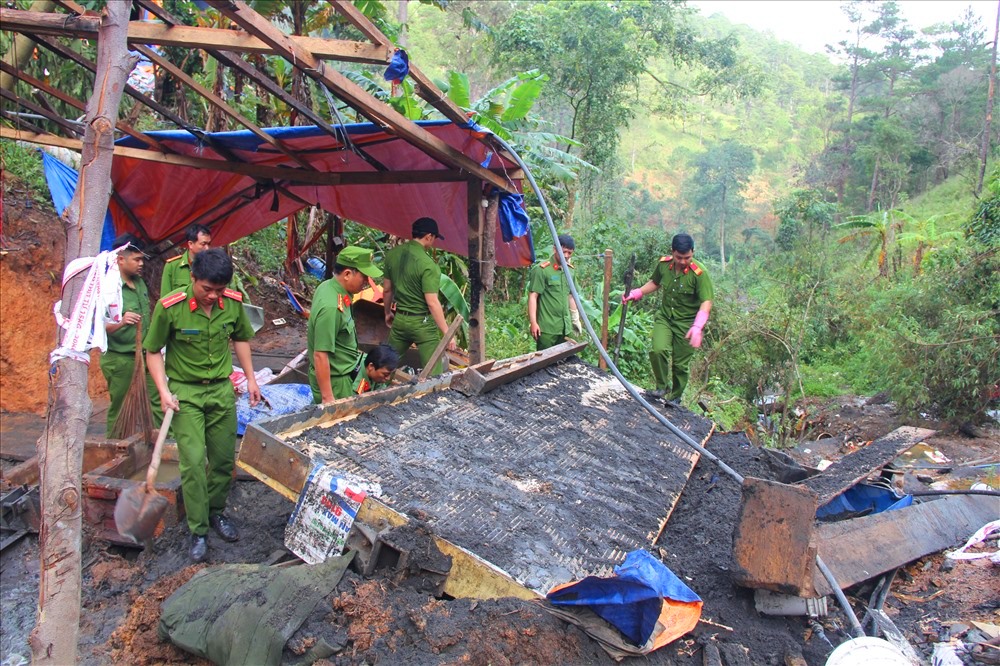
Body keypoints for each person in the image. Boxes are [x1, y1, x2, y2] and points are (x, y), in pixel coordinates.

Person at [145, 248, 261, 563]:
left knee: (224, 460)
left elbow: (240, 338)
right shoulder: (170, 308)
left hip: (222, 391)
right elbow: (152, 351)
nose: (212, 296)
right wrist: (163, 390)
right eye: (206, 289)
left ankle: (216, 513)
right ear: (193, 278)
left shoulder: (233, 303)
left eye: (218, 290)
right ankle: (197, 529)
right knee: (194, 462)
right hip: (186, 394)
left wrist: (251, 379)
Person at [622, 233, 713, 407]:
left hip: (687, 323)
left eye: (687, 257)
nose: (683, 261)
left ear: (693, 252)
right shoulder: (664, 265)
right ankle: (662, 387)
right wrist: (637, 293)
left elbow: (706, 301)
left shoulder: (699, 273)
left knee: (680, 364)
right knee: (658, 349)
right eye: (679, 257)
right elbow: (655, 282)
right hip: (665, 317)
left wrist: (698, 326)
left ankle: (676, 397)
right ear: (672, 252)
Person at [100, 234, 162, 432]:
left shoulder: (140, 283)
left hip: (145, 355)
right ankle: (116, 451)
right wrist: (121, 321)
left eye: (142, 259)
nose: (141, 263)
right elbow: (98, 329)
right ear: (120, 259)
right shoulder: (109, 288)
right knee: (121, 408)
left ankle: (163, 445)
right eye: (136, 259)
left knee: (159, 399)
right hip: (120, 358)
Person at [307, 246, 384, 404]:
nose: (367, 282)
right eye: (364, 277)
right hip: (335, 381)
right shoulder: (331, 307)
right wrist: (328, 398)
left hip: (343, 372)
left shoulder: (330, 287)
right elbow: (320, 355)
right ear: (348, 274)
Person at [382, 217, 457, 376]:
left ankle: (378, 393)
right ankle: (433, 397)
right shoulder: (428, 265)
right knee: (433, 372)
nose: (434, 242)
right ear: (428, 236)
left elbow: (387, 290)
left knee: (386, 366)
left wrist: (387, 312)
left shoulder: (392, 255)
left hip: (400, 320)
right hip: (422, 324)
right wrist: (447, 332)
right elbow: (432, 302)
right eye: (434, 238)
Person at [527, 234, 582, 351]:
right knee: (544, 363)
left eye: (570, 253)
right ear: (555, 249)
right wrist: (533, 322)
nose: (566, 256)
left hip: (565, 328)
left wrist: (575, 319)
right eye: (564, 252)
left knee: (562, 363)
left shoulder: (570, 271)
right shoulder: (542, 270)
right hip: (547, 328)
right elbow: (533, 296)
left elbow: (571, 296)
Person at [160, 223, 211, 296]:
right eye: (203, 244)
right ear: (190, 244)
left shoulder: (214, 265)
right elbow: (165, 300)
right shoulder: (172, 266)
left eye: (209, 244)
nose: (207, 248)